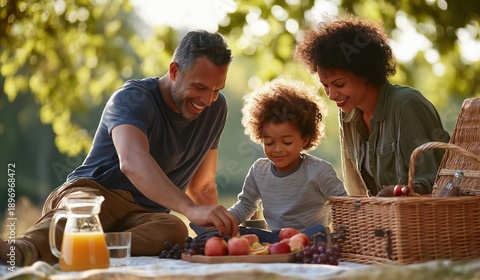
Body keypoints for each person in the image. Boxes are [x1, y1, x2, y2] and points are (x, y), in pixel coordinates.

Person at [0, 30, 239, 267]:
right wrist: (189, 208)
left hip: (144, 215)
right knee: (80, 215)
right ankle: (22, 249)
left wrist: (216, 236)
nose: (207, 100)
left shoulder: (216, 109)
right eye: (199, 87)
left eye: (217, 90)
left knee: (174, 229)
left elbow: (203, 187)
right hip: (96, 194)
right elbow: (133, 161)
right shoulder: (132, 98)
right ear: (174, 71)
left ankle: (86, 244)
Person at [294, 15, 450, 197]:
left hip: (420, 220)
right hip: (377, 221)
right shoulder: (347, 113)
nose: (331, 95)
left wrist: (402, 192)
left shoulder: (406, 105)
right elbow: (355, 188)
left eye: (340, 84)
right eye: (325, 85)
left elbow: (436, 179)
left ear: (365, 72)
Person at [227, 77, 346, 238]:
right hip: (276, 242)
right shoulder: (259, 171)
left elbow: (343, 205)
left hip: (313, 242)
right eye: (268, 143)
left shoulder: (319, 171)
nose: (277, 149)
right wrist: (226, 220)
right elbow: (246, 204)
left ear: (304, 139)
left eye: (287, 142)